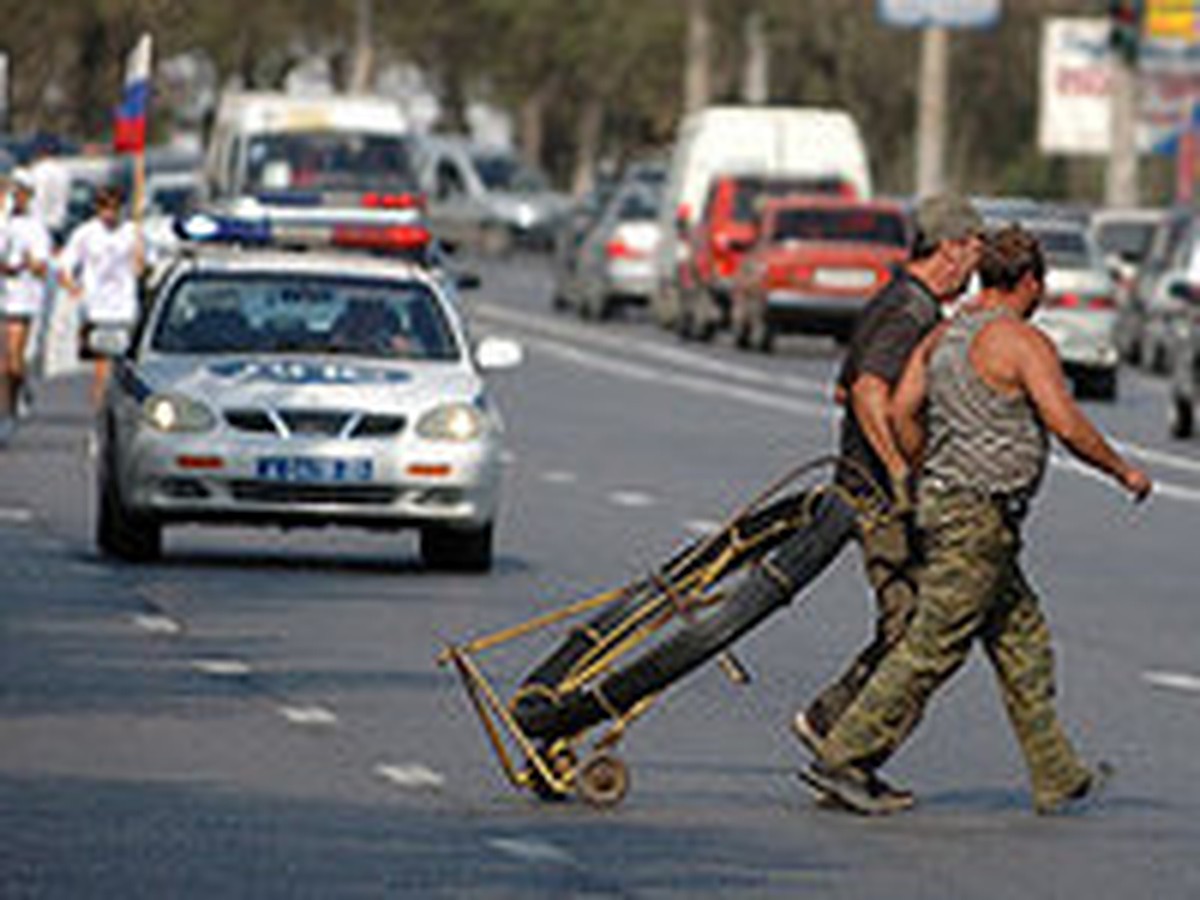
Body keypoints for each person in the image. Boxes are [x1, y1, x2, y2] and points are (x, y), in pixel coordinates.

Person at [510, 195, 984, 807]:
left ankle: (838, 733)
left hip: (861, 490)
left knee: (914, 628)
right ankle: (844, 748)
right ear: (953, 248)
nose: (978, 257)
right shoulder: (909, 311)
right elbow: (866, 391)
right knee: (917, 633)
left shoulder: (898, 301)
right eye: (975, 246)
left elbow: (845, 387)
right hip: (878, 498)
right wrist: (898, 470)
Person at [803, 225, 1152, 815]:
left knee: (1022, 640)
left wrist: (925, 463)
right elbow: (1066, 425)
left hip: (956, 508)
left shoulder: (942, 336)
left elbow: (902, 408)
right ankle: (844, 758)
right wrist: (1123, 472)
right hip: (977, 518)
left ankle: (1056, 771)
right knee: (933, 645)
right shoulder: (1020, 342)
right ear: (1030, 283)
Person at [59, 187, 144, 407]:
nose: (110, 213)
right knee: (102, 370)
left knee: (124, 369)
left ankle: (118, 416)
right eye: (105, 207)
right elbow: (65, 266)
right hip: (97, 310)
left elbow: (145, 268)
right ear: (97, 208)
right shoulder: (85, 233)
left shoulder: (133, 232)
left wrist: (141, 260)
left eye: (114, 208)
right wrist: (75, 290)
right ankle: (100, 417)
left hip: (125, 309)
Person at [0, 169, 53, 417]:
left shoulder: (35, 228)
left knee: (12, 360)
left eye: (20, 192)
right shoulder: (3, 223)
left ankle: (15, 396)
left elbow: (41, 267)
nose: (15, 197)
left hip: (20, 298)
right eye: (12, 192)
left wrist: (24, 264)